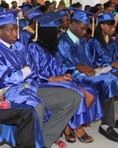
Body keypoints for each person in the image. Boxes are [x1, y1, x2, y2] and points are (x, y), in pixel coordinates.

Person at [0, 11, 81, 148]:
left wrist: (27, 72)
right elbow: (6, 79)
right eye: (10, 31)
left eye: (16, 30)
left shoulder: (20, 46)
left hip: (30, 87)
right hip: (9, 93)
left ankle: (44, 141)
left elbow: (34, 70)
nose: (15, 34)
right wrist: (25, 70)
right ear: (0, 31)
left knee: (72, 97)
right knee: (37, 108)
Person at [58, 9, 118, 143]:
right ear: (73, 24)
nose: (84, 32)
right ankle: (106, 125)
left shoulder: (81, 40)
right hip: (76, 76)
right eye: (82, 28)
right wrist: (78, 66)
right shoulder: (63, 41)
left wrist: (96, 66)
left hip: (91, 72)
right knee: (108, 80)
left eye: (86, 29)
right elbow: (60, 66)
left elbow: (89, 60)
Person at [28, 12, 103, 144]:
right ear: (47, 33)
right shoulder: (34, 47)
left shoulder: (52, 48)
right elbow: (33, 74)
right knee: (80, 94)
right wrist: (56, 79)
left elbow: (60, 66)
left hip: (58, 80)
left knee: (91, 93)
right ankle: (75, 127)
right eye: (56, 32)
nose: (58, 35)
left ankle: (67, 125)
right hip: (43, 84)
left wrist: (64, 75)